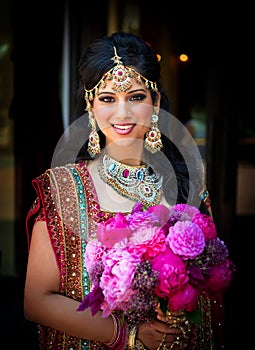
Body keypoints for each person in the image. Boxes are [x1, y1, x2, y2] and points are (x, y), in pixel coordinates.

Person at [24, 32, 227, 349]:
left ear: (155, 101)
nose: (122, 114)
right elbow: (36, 301)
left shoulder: (188, 182)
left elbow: (210, 293)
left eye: (135, 97)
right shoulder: (63, 187)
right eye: (107, 99)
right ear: (90, 105)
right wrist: (128, 335)